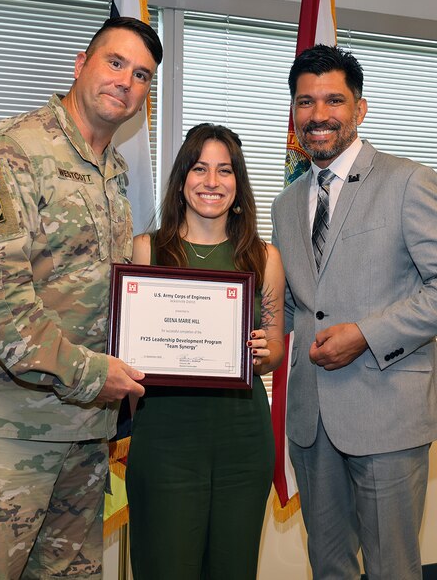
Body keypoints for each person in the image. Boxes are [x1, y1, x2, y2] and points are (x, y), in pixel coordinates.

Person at [0, 16, 162, 580]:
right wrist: (87, 374)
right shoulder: (8, 153)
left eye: (143, 75)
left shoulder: (114, 172)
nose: (127, 81)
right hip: (0, 436)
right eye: (115, 62)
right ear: (81, 64)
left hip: (81, 434)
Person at [271, 45, 437, 580]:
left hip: (389, 414)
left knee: (392, 568)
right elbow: (296, 304)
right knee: (329, 566)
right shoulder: (285, 204)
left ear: (359, 109)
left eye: (333, 100)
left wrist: (367, 334)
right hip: (310, 418)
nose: (318, 115)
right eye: (305, 102)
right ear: (294, 113)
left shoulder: (408, 181)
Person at [126, 123, 286, 580]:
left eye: (224, 171)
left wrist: (263, 351)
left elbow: (275, 344)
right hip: (166, 437)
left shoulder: (264, 257)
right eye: (199, 169)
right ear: (181, 181)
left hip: (242, 439)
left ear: (239, 186)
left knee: (233, 568)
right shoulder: (146, 249)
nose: (211, 182)